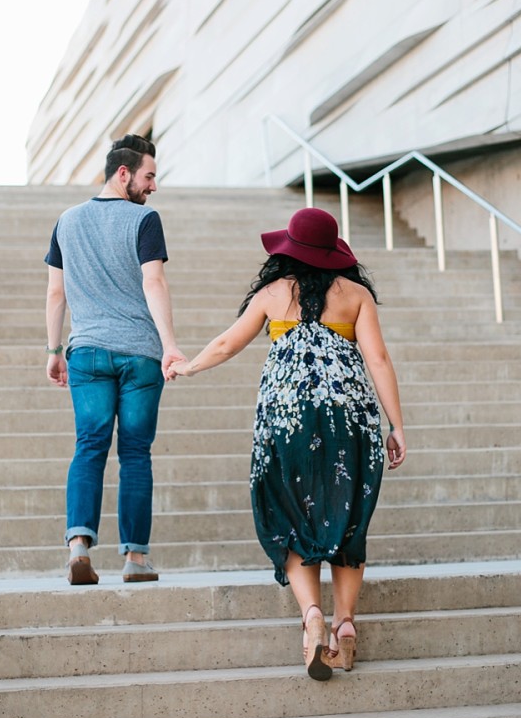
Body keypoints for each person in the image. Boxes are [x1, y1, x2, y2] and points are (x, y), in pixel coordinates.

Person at [170, 207, 406, 679]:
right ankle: (344, 626)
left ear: (290, 250)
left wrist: (188, 365)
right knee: (346, 518)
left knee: (291, 513)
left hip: (287, 421)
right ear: (334, 251)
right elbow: (377, 358)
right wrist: (397, 425)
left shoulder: (272, 294)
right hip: (350, 420)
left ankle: (311, 617)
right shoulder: (356, 295)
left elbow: (227, 344)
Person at [45, 134, 185, 586]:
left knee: (89, 445)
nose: (154, 187)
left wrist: (53, 350)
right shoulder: (144, 220)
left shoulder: (67, 221)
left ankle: (79, 546)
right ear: (123, 173)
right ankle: (136, 559)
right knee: (135, 454)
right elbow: (154, 283)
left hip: (86, 351)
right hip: (141, 355)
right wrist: (170, 345)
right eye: (149, 176)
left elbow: (55, 292)